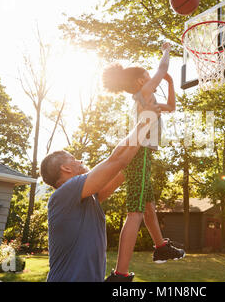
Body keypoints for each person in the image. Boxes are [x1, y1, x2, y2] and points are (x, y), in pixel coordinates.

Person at [40, 104, 160, 282]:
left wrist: (142, 147)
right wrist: (144, 122)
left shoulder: (89, 197)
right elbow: (116, 160)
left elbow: (122, 169)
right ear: (65, 168)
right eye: (73, 159)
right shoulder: (64, 193)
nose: (79, 160)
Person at [102, 42, 185, 282]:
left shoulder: (146, 100)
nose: (154, 79)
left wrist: (170, 83)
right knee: (136, 212)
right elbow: (162, 68)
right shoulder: (143, 94)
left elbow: (171, 106)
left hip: (143, 155)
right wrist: (166, 52)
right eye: (149, 77)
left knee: (148, 207)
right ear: (141, 82)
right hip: (139, 154)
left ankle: (160, 248)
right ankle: (120, 274)